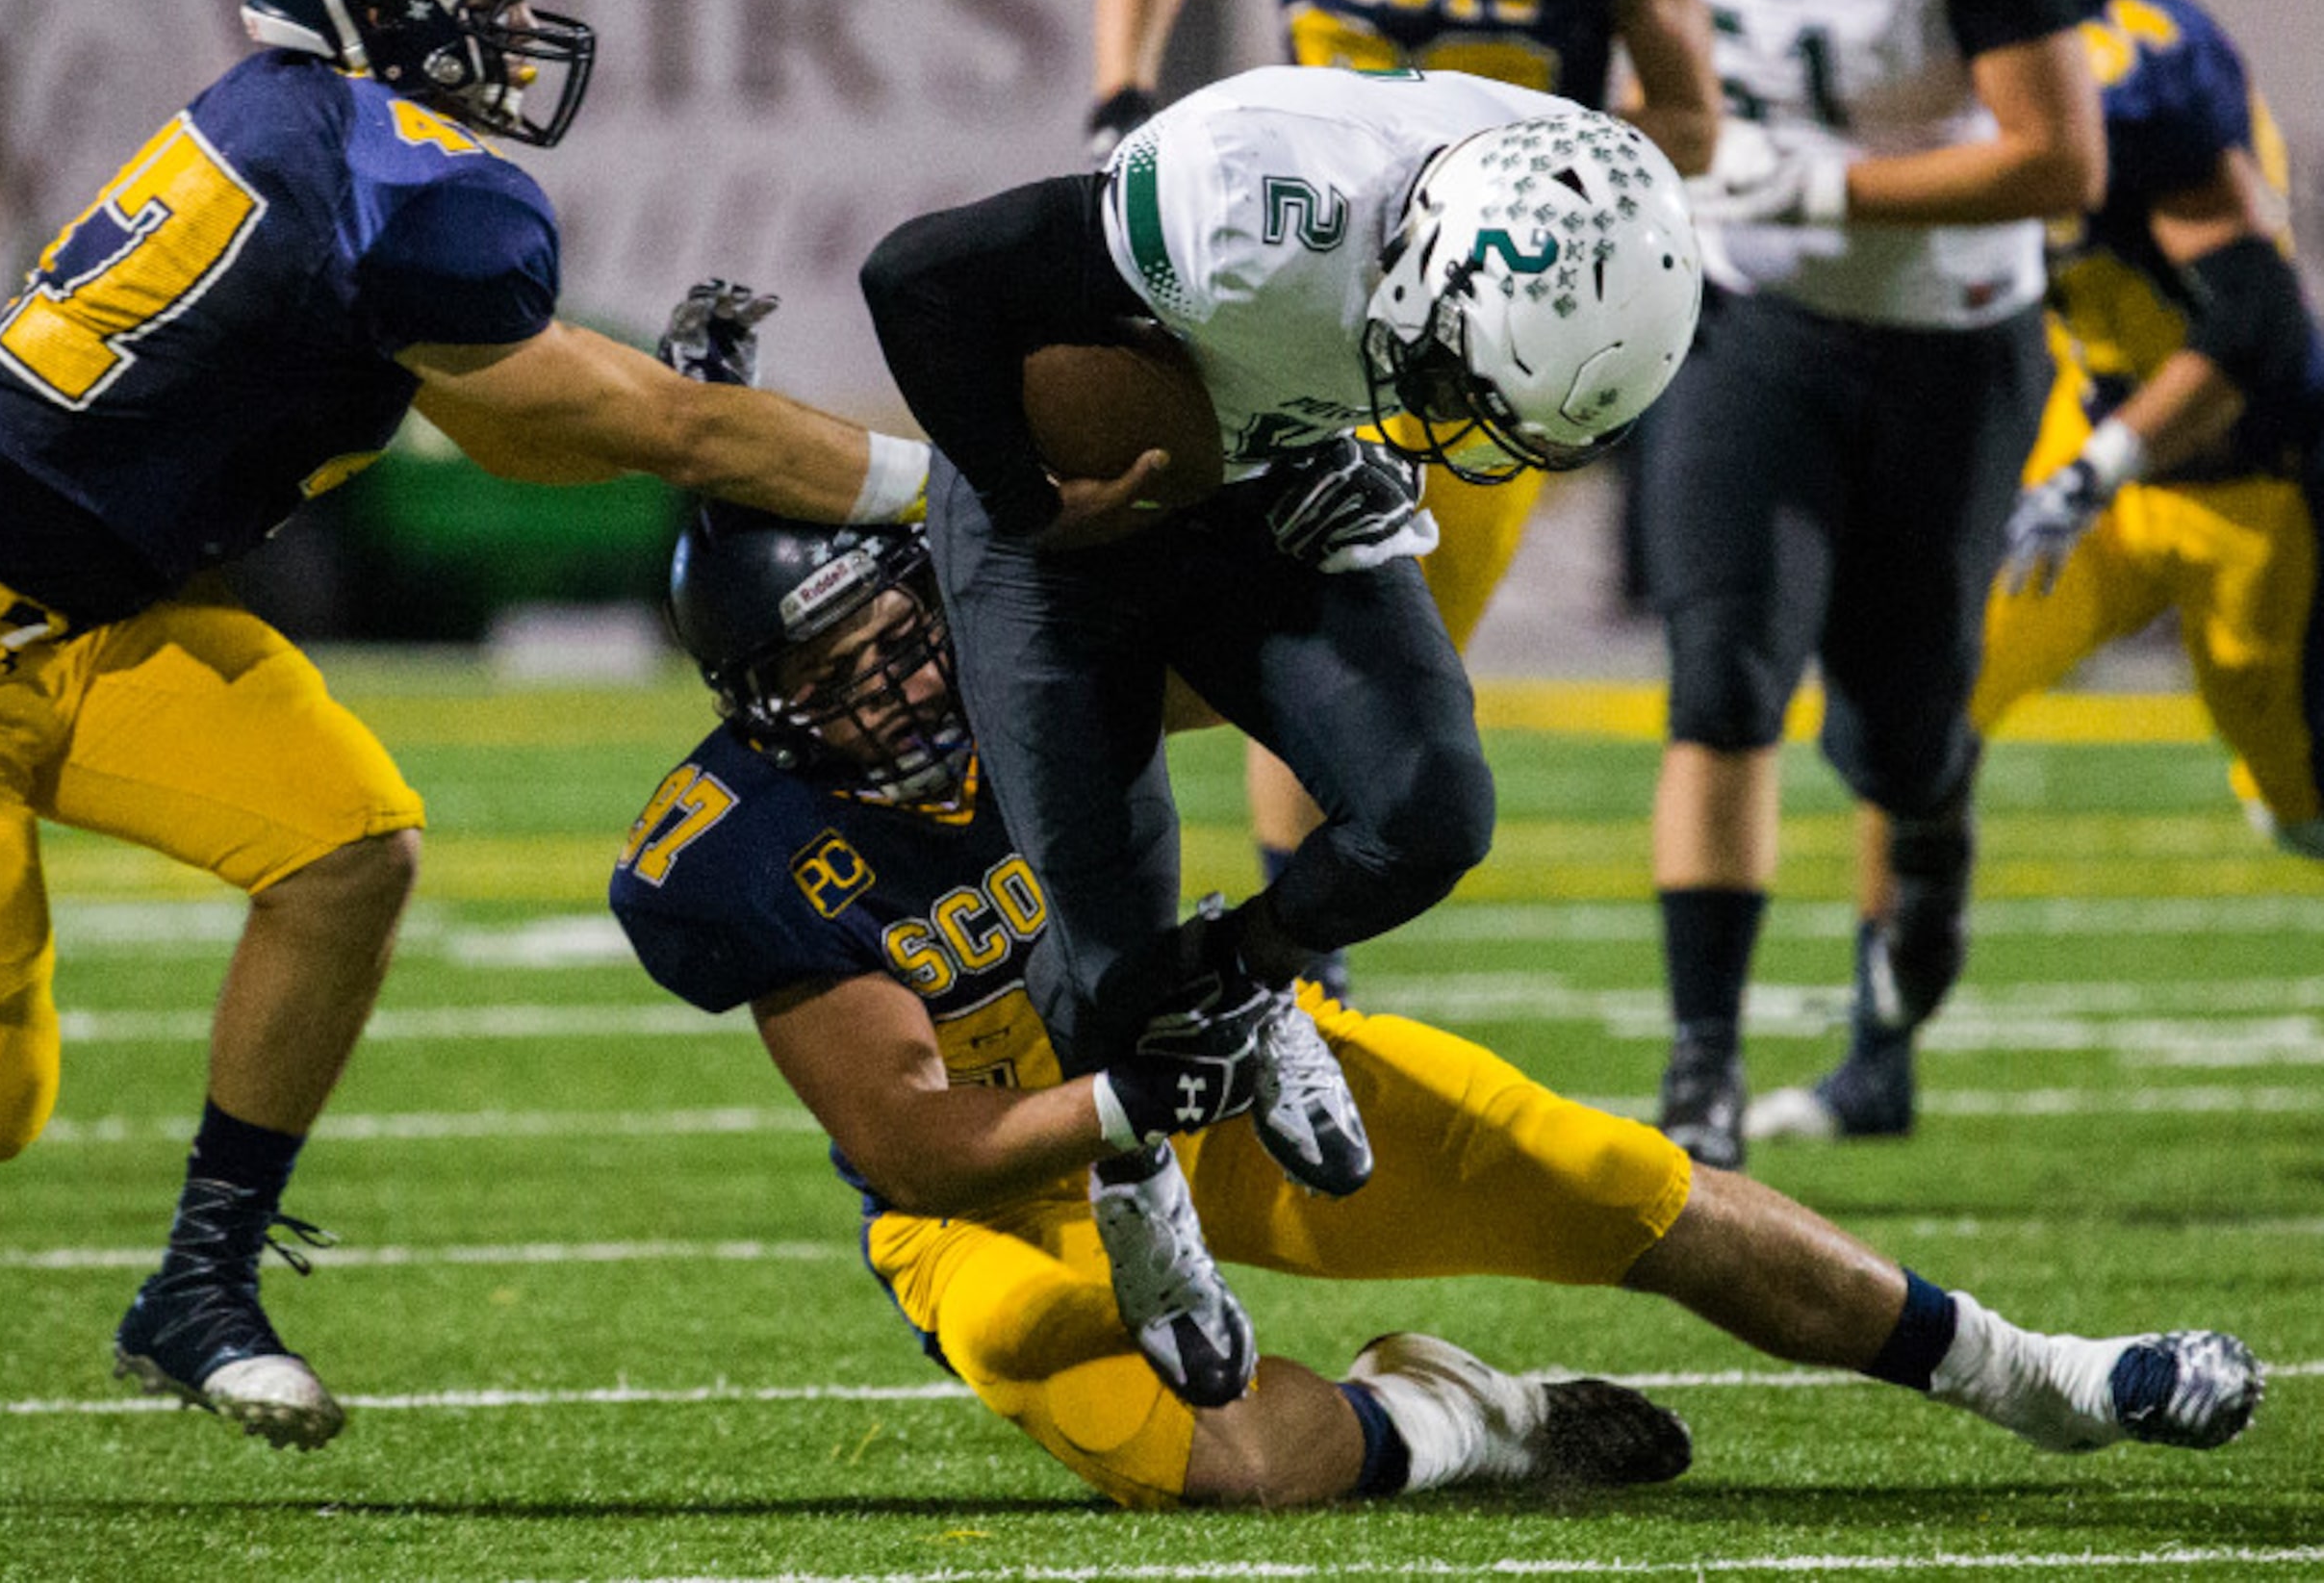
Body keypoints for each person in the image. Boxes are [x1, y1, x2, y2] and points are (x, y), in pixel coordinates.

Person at [0, 0, 931, 1503]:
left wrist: (677, 419)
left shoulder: (333, 146)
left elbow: (526, 425)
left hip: (83, 608)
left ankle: (198, 1282)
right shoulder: (390, 181)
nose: (520, 26)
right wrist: (927, 486)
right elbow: (638, 423)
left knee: (344, 842)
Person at [607, 498, 2262, 1509]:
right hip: (1011, 1187)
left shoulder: (1035, 637)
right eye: (825, 681)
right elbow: (911, 1140)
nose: (889, 691)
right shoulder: (743, 851)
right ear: (757, 714)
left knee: (1613, 1179)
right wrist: (1132, 1100)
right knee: (1220, 1461)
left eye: (891, 639)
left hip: (1230, 1071)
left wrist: (1334, 546)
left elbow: (1306, 668)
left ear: (932, 595)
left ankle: (2040, 1371)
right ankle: (1474, 1416)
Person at [862, 63, 1704, 1403]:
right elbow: (914, 274)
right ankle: (1139, 1185)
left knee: (1428, 809)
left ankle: (1250, 984)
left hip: (1283, 476)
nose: (1455, 415)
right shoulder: (1240, 215)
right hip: (1081, 511)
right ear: (1417, 272)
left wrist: (1350, 435)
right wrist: (1028, 502)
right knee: (1103, 940)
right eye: (1447, 375)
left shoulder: (1574, 196)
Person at [1086, 0, 1735, 1001]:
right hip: (1316, 281)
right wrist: (1120, 98)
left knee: (1392, 666)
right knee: (1296, 625)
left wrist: (1560, 186)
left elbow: (1690, 122)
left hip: (1490, 324)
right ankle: (1299, 968)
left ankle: (1290, 943)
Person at [1751, 0, 2324, 1144]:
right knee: (1919, 707)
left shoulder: (2139, 59)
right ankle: (1872, 1057)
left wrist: (2105, 458)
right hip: (2083, 433)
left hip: (2246, 458)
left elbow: (2256, 325)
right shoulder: (1920, 52)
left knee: (2299, 804)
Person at [1645, 0, 2109, 1170]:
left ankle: (1927, 821)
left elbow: (2056, 159)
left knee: (1896, 724)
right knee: (1721, 674)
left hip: (1944, 337)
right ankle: (1700, 1070)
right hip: (1746, 319)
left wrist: (1817, 183)